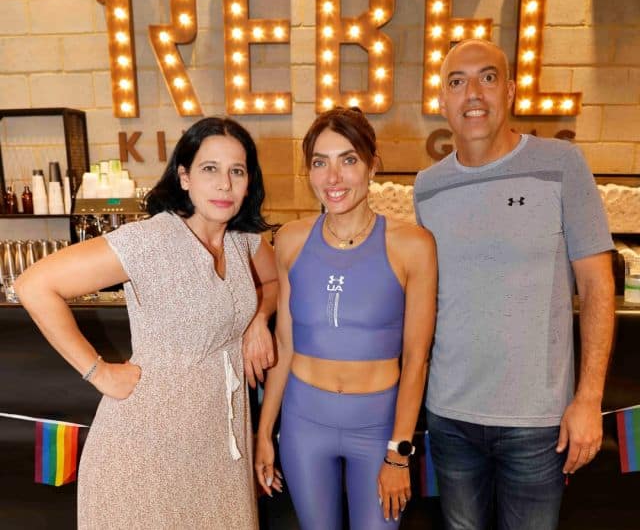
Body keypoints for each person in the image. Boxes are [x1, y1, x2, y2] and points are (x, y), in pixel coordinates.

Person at [15, 117, 278, 529]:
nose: (224, 184)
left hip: (218, 446)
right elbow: (34, 284)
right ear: (184, 177)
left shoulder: (242, 240)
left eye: (237, 171)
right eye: (210, 169)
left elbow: (276, 281)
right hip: (146, 448)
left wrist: (257, 318)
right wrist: (97, 371)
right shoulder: (149, 241)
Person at [414, 39, 615, 530]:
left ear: (509, 90)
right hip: (450, 417)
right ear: (442, 100)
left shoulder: (562, 163)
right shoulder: (427, 186)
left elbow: (597, 286)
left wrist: (589, 399)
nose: (473, 93)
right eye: (457, 82)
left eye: (487, 77)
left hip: (537, 424)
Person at [254, 107, 437, 529]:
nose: (333, 177)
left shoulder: (412, 245)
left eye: (348, 160)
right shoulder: (291, 240)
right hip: (303, 423)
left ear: (372, 165)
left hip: (377, 427)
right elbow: (285, 343)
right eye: (320, 163)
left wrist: (399, 453)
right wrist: (264, 433)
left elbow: (417, 359)